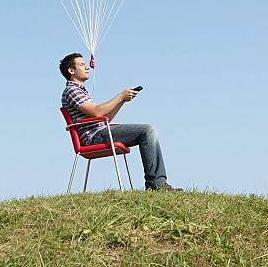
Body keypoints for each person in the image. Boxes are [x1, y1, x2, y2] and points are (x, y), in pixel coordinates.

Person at [60, 52, 182, 191]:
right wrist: (120, 96)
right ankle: (156, 184)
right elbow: (96, 112)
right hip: (94, 136)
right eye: (82, 64)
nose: (87, 67)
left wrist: (123, 100)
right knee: (147, 130)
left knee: (147, 131)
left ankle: (156, 183)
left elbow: (105, 118)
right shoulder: (72, 90)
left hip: (99, 131)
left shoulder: (80, 91)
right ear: (71, 70)